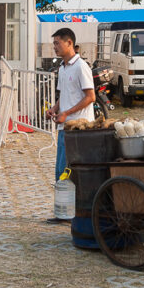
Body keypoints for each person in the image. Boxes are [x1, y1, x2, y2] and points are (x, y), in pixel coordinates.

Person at [45, 28, 95, 180]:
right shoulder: (62, 68)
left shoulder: (81, 66)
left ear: (69, 43)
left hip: (78, 128)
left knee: (69, 173)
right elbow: (65, 94)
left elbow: (90, 97)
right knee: (61, 173)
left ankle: (72, 203)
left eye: (57, 43)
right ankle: (66, 203)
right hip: (64, 127)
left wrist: (66, 113)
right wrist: (54, 108)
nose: (55, 47)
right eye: (53, 43)